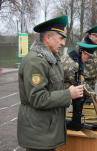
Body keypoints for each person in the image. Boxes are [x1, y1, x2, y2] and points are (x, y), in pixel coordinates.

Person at [17, 15, 84, 151]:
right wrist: (68, 94)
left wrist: (71, 89)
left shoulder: (52, 59)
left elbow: (54, 88)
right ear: (48, 37)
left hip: (47, 129)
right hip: (38, 131)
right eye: (60, 38)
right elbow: (38, 98)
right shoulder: (35, 61)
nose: (63, 43)